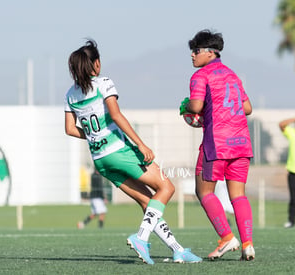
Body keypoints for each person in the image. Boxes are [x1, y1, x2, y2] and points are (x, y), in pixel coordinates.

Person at [64, 39, 201, 264]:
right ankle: (141, 237)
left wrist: (94, 136)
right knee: (166, 187)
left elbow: (70, 129)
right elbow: (116, 116)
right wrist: (141, 145)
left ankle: (177, 249)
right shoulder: (104, 83)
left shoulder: (70, 94)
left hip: (100, 159)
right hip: (119, 150)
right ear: (95, 64)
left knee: (149, 203)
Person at [180, 29, 255, 261]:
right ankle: (248, 244)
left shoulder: (200, 76)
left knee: (203, 191)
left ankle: (226, 238)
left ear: (210, 53)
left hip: (217, 144)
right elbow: (248, 108)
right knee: (239, 195)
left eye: (196, 51)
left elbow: (195, 105)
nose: (192, 55)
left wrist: (185, 107)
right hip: (241, 142)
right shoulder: (233, 75)